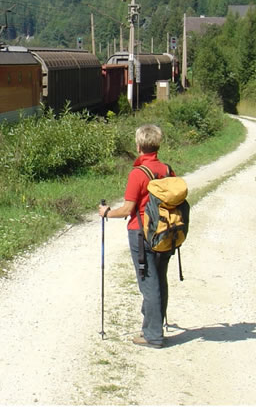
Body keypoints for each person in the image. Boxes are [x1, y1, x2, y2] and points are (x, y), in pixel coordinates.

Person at [98, 123, 173, 348]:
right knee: (159, 280)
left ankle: (153, 335)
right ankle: (152, 325)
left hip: (141, 235)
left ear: (139, 146)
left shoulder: (138, 174)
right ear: (157, 144)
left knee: (148, 284)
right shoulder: (167, 170)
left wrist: (107, 213)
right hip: (165, 233)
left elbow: (128, 209)